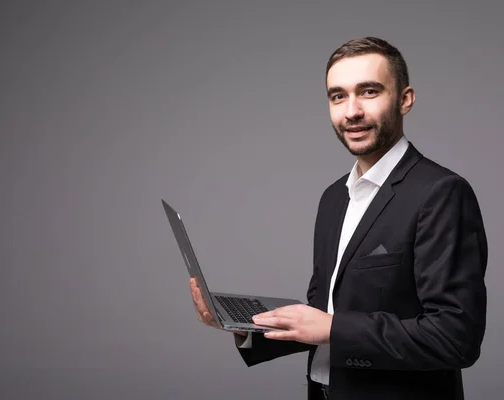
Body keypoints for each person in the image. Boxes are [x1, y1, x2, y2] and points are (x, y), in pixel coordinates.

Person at [189, 37, 488, 400]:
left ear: (405, 99)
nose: (351, 111)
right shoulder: (334, 197)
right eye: (338, 96)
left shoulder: (441, 192)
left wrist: (333, 329)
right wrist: (244, 328)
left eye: (369, 92)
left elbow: (455, 336)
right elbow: (323, 314)